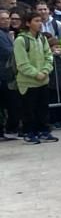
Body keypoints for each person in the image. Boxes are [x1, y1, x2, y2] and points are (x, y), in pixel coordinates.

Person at [12, 11, 57, 144]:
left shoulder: (42, 38)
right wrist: (35, 73)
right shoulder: (21, 40)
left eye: (40, 21)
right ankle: (29, 133)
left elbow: (48, 56)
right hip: (28, 82)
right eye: (36, 21)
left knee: (42, 108)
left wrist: (45, 70)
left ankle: (44, 131)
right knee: (29, 110)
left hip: (43, 80)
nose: (40, 23)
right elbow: (22, 63)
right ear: (27, 23)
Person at [0, 12, 16, 140]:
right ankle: (8, 129)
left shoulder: (7, 33)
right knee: (9, 103)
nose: (6, 21)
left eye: (7, 18)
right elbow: (8, 51)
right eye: (3, 19)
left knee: (11, 103)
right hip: (3, 74)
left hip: (8, 74)